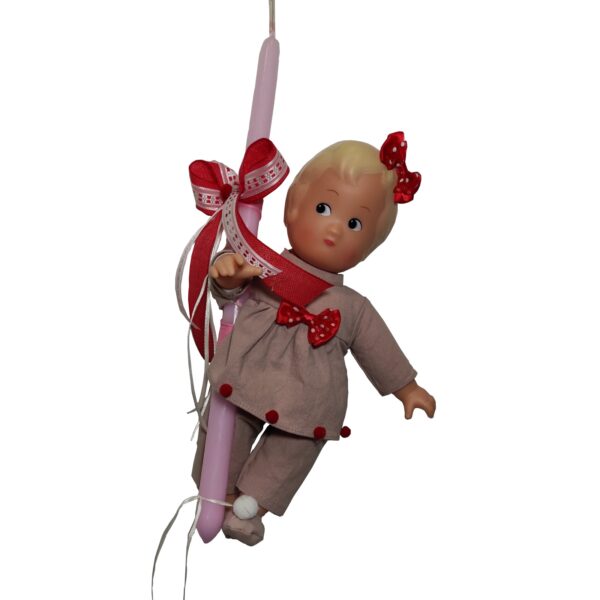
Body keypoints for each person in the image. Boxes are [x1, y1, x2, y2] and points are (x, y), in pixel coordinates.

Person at [191, 136, 436, 545]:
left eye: (355, 224)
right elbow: (228, 295)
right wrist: (228, 275)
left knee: (296, 448)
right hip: (246, 379)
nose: (336, 228)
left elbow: (379, 348)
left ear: (368, 249)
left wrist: (406, 388)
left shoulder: (353, 306)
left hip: (308, 401)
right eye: (324, 208)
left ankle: (252, 506)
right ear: (292, 208)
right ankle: (221, 492)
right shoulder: (264, 266)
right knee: (225, 427)